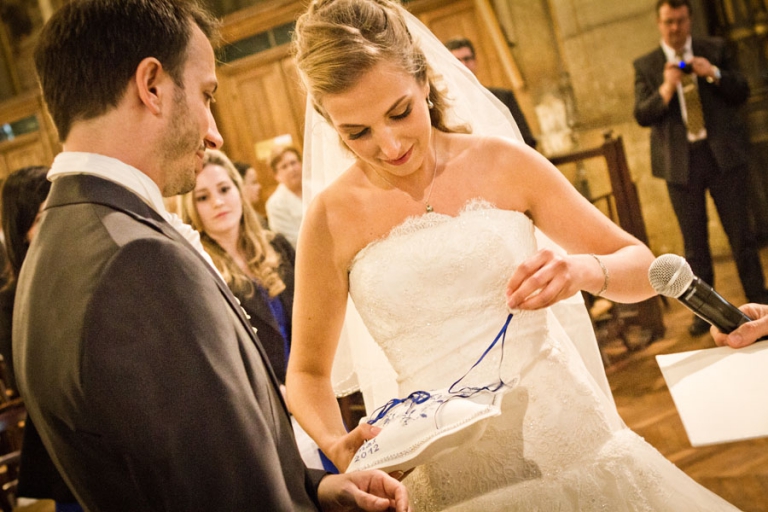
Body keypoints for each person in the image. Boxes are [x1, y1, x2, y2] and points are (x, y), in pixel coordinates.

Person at [286, 0, 743, 509]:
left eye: (400, 112)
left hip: (568, 438)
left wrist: (580, 270)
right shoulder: (329, 218)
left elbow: (642, 265)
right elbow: (305, 373)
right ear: (329, 122)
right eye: (357, 133)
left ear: (422, 81)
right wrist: (335, 443)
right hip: (444, 473)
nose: (390, 145)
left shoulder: (503, 162)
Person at [14, 1, 409, 511]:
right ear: (151, 86)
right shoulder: (137, 264)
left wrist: (314, 488)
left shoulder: (61, 246)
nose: (214, 132)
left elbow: (197, 463)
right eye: (205, 95)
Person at [634, 0, 768, 337]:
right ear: (658, 23)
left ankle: (759, 302)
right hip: (680, 163)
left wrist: (714, 73)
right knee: (694, 243)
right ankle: (703, 313)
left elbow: (741, 91)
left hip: (721, 156)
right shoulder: (647, 64)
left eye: (680, 21)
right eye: (668, 22)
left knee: (742, 235)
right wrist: (666, 88)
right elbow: (642, 115)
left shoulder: (715, 49)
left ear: (689, 19)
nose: (675, 28)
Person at [0, 166, 83, 512]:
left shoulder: (93, 271)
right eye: (38, 219)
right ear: (21, 234)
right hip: (71, 453)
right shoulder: (12, 300)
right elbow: (22, 380)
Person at [444, 37, 537, 149]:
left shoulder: (503, 97)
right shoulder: (445, 106)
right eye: (457, 60)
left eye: (467, 59)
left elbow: (526, 139)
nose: (463, 65)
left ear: (475, 61)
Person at [265, 145, 304, 247]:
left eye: (293, 163)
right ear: (276, 175)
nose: (291, 169)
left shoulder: (317, 186)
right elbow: (292, 241)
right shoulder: (275, 204)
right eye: (284, 166)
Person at [232, 159, 269, 228]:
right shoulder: (237, 223)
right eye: (254, 182)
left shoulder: (257, 218)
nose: (259, 186)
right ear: (239, 186)